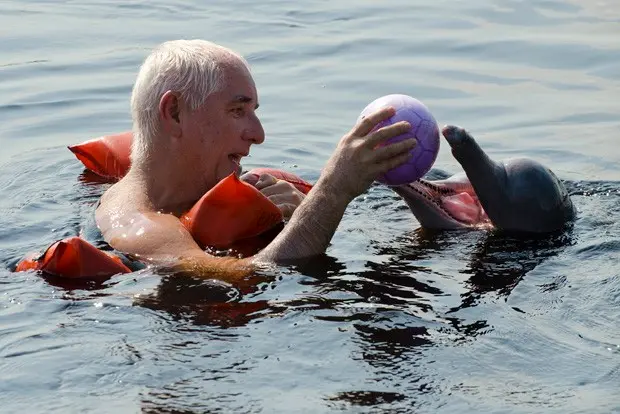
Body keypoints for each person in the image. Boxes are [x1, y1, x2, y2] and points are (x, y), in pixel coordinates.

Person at [95, 39, 416, 281]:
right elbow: (251, 274)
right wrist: (333, 191)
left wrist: (297, 212)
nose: (258, 134)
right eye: (237, 110)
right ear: (175, 113)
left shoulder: (197, 190)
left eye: (254, 112)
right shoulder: (140, 225)